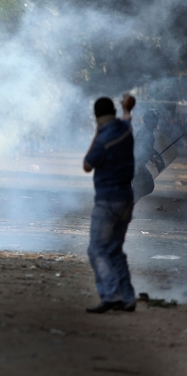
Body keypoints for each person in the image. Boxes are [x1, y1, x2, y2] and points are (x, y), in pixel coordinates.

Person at [83, 95, 137, 314]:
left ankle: (111, 296)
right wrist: (127, 108)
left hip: (107, 201)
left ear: (96, 116)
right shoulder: (125, 130)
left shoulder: (103, 140)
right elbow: (127, 118)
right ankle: (128, 296)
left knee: (97, 249)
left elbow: (87, 165)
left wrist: (97, 132)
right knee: (115, 250)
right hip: (127, 198)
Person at [132, 109, 164, 203]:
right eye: (155, 119)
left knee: (141, 188)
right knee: (146, 186)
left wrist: (153, 156)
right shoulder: (145, 132)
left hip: (138, 164)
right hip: (137, 165)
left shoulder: (147, 131)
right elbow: (140, 149)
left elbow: (148, 148)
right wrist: (151, 157)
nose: (157, 122)